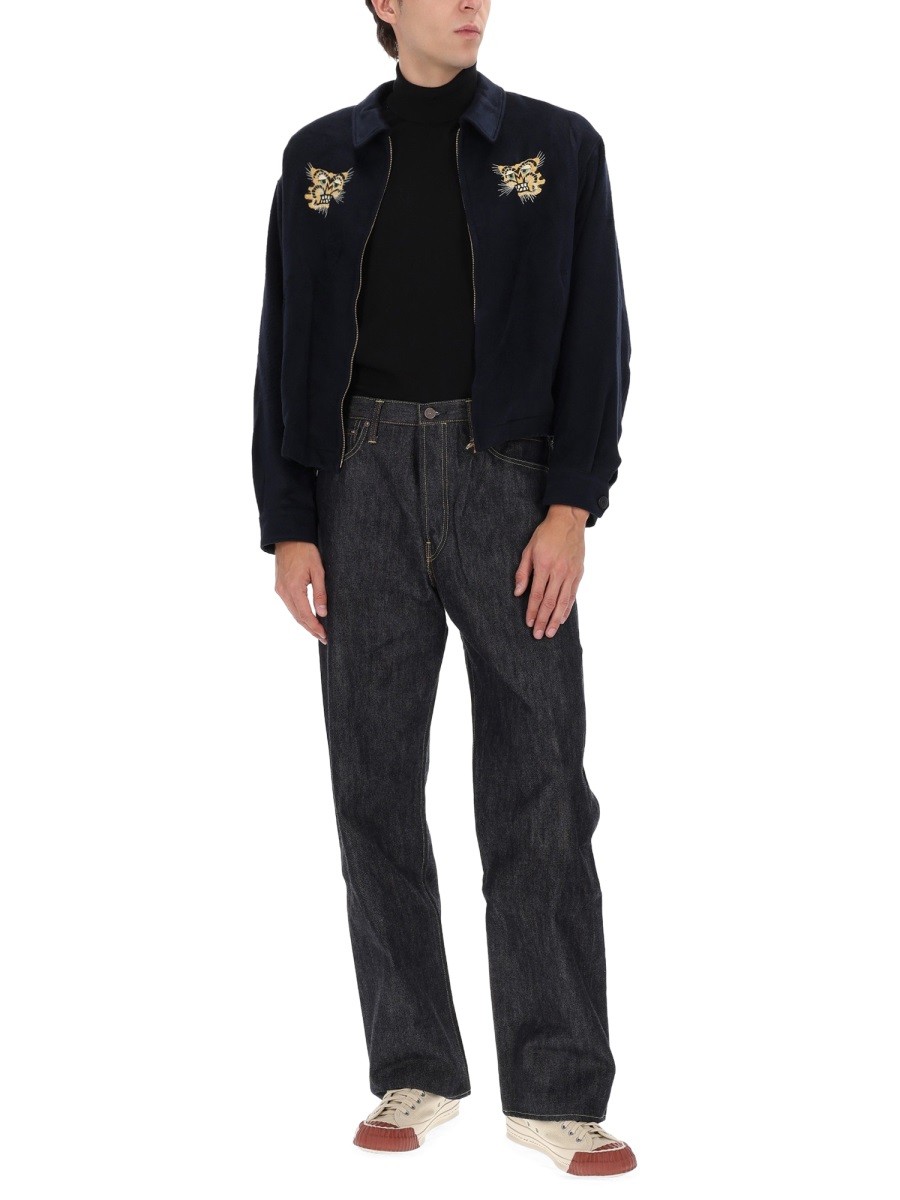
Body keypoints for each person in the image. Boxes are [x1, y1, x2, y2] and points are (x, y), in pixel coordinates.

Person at [251, 0, 635, 1176]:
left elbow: (598, 333)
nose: (472, 2)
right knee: (372, 784)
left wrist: (571, 504)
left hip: (506, 482)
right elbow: (281, 342)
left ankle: (557, 1091)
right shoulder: (320, 157)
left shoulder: (557, 147)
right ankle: (413, 1067)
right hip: (357, 482)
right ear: (383, 3)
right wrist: (290, 524)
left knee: (540, 787)